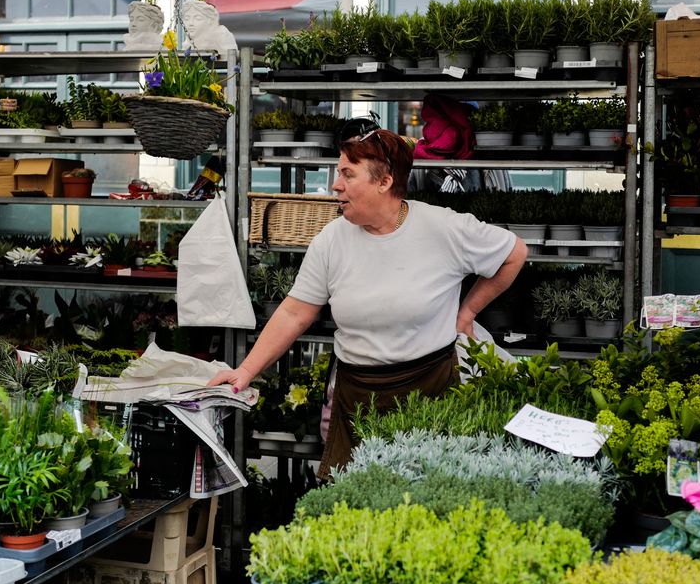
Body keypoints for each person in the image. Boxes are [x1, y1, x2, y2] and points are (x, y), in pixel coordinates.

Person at [207, 128, 527, 476]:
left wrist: (467, 312)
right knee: (354, 501)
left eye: (347, 174)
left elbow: (514, 253)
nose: (335, 185)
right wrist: (246, 371)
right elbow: (295, 313)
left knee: (428, 500)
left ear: (384, 181)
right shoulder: (331, 240)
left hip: (432, 390)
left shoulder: (444, 228)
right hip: (357, 395)